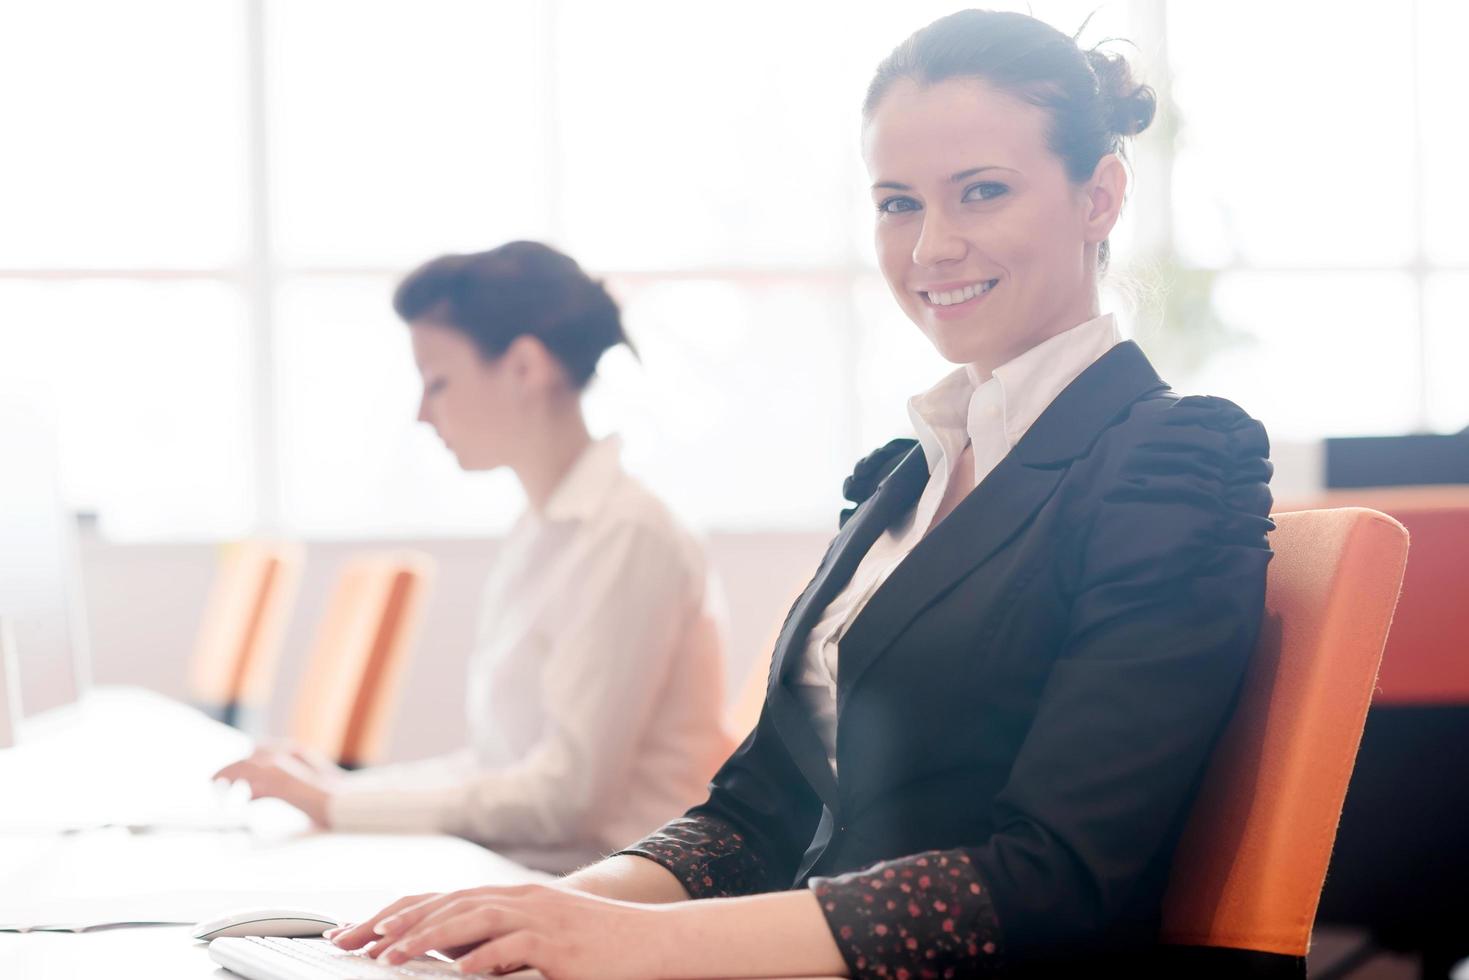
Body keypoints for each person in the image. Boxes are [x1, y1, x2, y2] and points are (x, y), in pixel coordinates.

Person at [327, 10, 1274, 977]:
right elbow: (752, 816)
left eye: (981, 192)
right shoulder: (903, 479)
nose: (929, 246)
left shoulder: (1170, 460)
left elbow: (1054, 879)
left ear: (1099, 197)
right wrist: (534, 912)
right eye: (897, 203)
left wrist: (634, 942)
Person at [214, 241, 732, 873]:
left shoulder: (629, 534)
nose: (422, 413)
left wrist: (337, 804)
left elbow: (565, 799)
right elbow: (497, 768)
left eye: (437, 382)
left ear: (523, 368)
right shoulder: (542, 530)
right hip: (532, 872)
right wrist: (343, 791)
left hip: (606, 895)